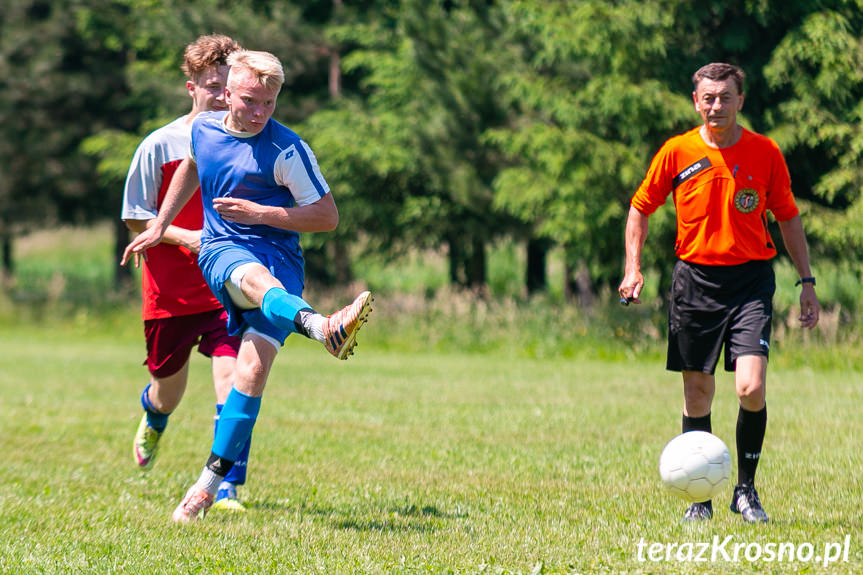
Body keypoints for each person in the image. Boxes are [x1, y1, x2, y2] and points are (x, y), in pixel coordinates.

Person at [121, 49, 373, 523]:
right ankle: (321, 328)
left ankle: (206, 487)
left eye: (270, 103)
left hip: (281, 259)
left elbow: (326, 216)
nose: (260, 112)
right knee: (251, 280)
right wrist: (161, 225)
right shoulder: (204, 130)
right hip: (221, 250)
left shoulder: (287, 150)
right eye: (251, 101)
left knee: (250, 375)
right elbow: (193, 167)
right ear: (228, 94)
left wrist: (263, 214)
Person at [618, 63, 821, 523]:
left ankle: (745, 491)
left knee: (750, 387)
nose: (716, 106)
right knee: (697, 394)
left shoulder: (765, 152)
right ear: (696, 102)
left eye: (725, 97)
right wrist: (632, 268)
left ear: (740, 101)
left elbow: (788, 217)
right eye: (708, 98)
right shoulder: (676, 151)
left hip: (750, 282)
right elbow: (640, 207)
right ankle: (700, 498)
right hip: (695, 282)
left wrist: (807, 282)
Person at [121, 34, 253, 511]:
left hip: (226, 287)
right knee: (168, 391)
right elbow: (136, 216)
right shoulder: (160, 145)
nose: (222, 96)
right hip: (170, 295)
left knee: (235, 380)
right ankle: (154, 417)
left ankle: (227, 486)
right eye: (212, 86)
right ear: (191, 87)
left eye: (228, 86)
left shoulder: (247, 144)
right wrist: (188, 238)